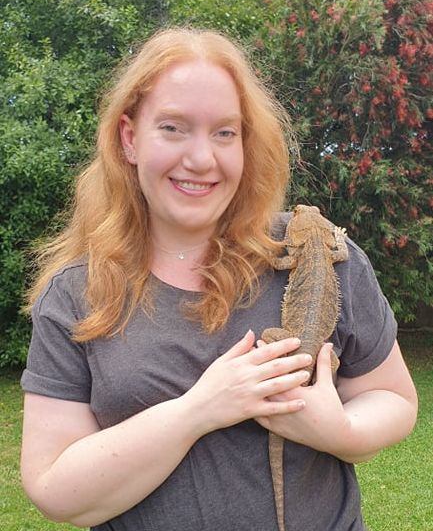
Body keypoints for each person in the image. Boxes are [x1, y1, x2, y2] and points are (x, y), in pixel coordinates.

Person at [20, 27, 417, 531]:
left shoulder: (327, 257)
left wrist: (337, 428)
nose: (202, 158)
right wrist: (200, 410)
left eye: (225, 132)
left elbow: (396, 400)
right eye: (173, 127)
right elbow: (58, 492)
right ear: (129, 138)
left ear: (246, 145)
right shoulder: (75, 294)